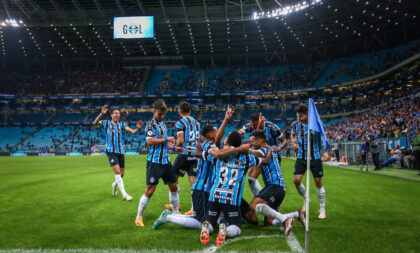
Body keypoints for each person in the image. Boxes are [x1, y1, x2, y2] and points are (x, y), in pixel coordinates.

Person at [152, 106, 241, 231]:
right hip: (202, 189)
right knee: (203, 224)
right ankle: (168, 217)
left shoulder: (208, 143)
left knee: (207, 220)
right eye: (215, 131)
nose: (217, 133)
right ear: (210, 134)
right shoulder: (208, 146)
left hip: (205, 189)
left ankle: (220, 221)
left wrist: (226, 119)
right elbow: (217, 152)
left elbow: (218, 138)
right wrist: (239, 148)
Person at [200, 131, 272, 246]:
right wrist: (269, 149)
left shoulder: (218, 156)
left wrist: (203, 145)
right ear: (241, 143)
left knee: (211, 222)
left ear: (228, 142)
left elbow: (199, 153)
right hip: (231, 197)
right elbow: (266, 161)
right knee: (236, 226)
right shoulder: (247, 158)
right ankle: (226, 231)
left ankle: (207, 227)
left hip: (215, 195)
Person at [134, 99, 184, 227]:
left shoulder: (162, 125)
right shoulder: (150, 125)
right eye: (159, 114)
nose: (162, 116)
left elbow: (163, 144)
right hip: (154, 163)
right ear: (154, 111)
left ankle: (176, 213)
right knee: (150, 190)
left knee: (174, 187)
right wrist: (166, 139)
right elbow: (150, 141)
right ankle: (139, 216)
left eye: (163, 114)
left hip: (166, 162)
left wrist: (174, 148)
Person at [248, 131, 305, 235]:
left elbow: (253, 152)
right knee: (268, 222)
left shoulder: (263, 150)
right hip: (279, 188)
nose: (250, 143)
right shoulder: (268, 149)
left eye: (252, 141)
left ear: (260, 141)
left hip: (274, 187)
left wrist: (238, 149)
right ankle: (297, 214)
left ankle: (285, 220)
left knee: (253, 205)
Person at [93, 105, 143, 201]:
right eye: (116, 113)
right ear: (111, 115)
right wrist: (101, 114)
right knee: (117, 172)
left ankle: (114, 185)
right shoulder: (106, 123)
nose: (118, 115)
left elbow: (133, 132)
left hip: (120, 151)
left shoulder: (123, 125)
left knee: (122, 174)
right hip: (111, 151)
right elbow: (95, 123)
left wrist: (138, 128)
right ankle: (124, 194)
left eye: (119, 114)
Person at [290, 104, 328, 219]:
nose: (299, 119)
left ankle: (322, 210)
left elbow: (325, 137)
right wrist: (294, 142)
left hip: (315, 157)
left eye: (301, 116)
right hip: (301, 157)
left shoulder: (317, 124)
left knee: (318, 182)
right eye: (297, 116)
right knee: (296, 180)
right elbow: (292, 133)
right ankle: (306, 199)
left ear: (307, 115)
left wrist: (326, 151)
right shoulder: (296, 125)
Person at [238, 112, 287, 197]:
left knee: (271, 180)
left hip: (272, 156)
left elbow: (284, 140)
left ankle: (275, 194)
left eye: (255, 125)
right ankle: (263, 198)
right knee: (251, 179)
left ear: (261, 122)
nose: (253, 127)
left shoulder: (271, 127)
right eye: (252, 125)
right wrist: (232, 137)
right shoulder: (249, 125)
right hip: (259, 154)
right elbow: (239, 133)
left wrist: (279, 148)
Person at [166, 102, 201, 215]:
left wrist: (174, 147)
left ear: (180, 111)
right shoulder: (197, 123)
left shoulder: (180, 123)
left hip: (185, 153)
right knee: (194, 182)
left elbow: (180, 140)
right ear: (190, 111)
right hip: (195, 154)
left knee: (173, 179)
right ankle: (193, 208)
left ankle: (175, 204)